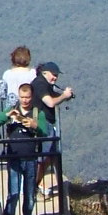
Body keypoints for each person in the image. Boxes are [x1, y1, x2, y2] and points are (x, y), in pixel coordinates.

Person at [0, 82, 46, 215]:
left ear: (31, 97)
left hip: (31, 158)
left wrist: (34, 125)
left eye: (27, 97)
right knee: (13, 193)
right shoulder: (12, 110)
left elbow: (44, 133)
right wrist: (7, 115)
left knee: (29, 193)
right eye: (22, 97)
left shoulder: (37, 113)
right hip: (14, 158)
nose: (25, 100)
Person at [32, 61, 73, 194]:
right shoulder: (40, 83)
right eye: (53, 75)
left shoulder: (45, 84)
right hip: (43, 124)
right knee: (44, 157)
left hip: (47, 123)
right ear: (45, 73)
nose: (55, 78)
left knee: (51, 156)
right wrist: (64, 96)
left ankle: (53, 185)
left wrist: (65, 97)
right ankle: (34, 185)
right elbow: (50, 102)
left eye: (56, 76)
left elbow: (53, 97)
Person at [0, 46, 36, 112]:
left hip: (11, 110)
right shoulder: (33, 73)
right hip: (30, 109)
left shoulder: (7, 74)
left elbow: (2, 94)